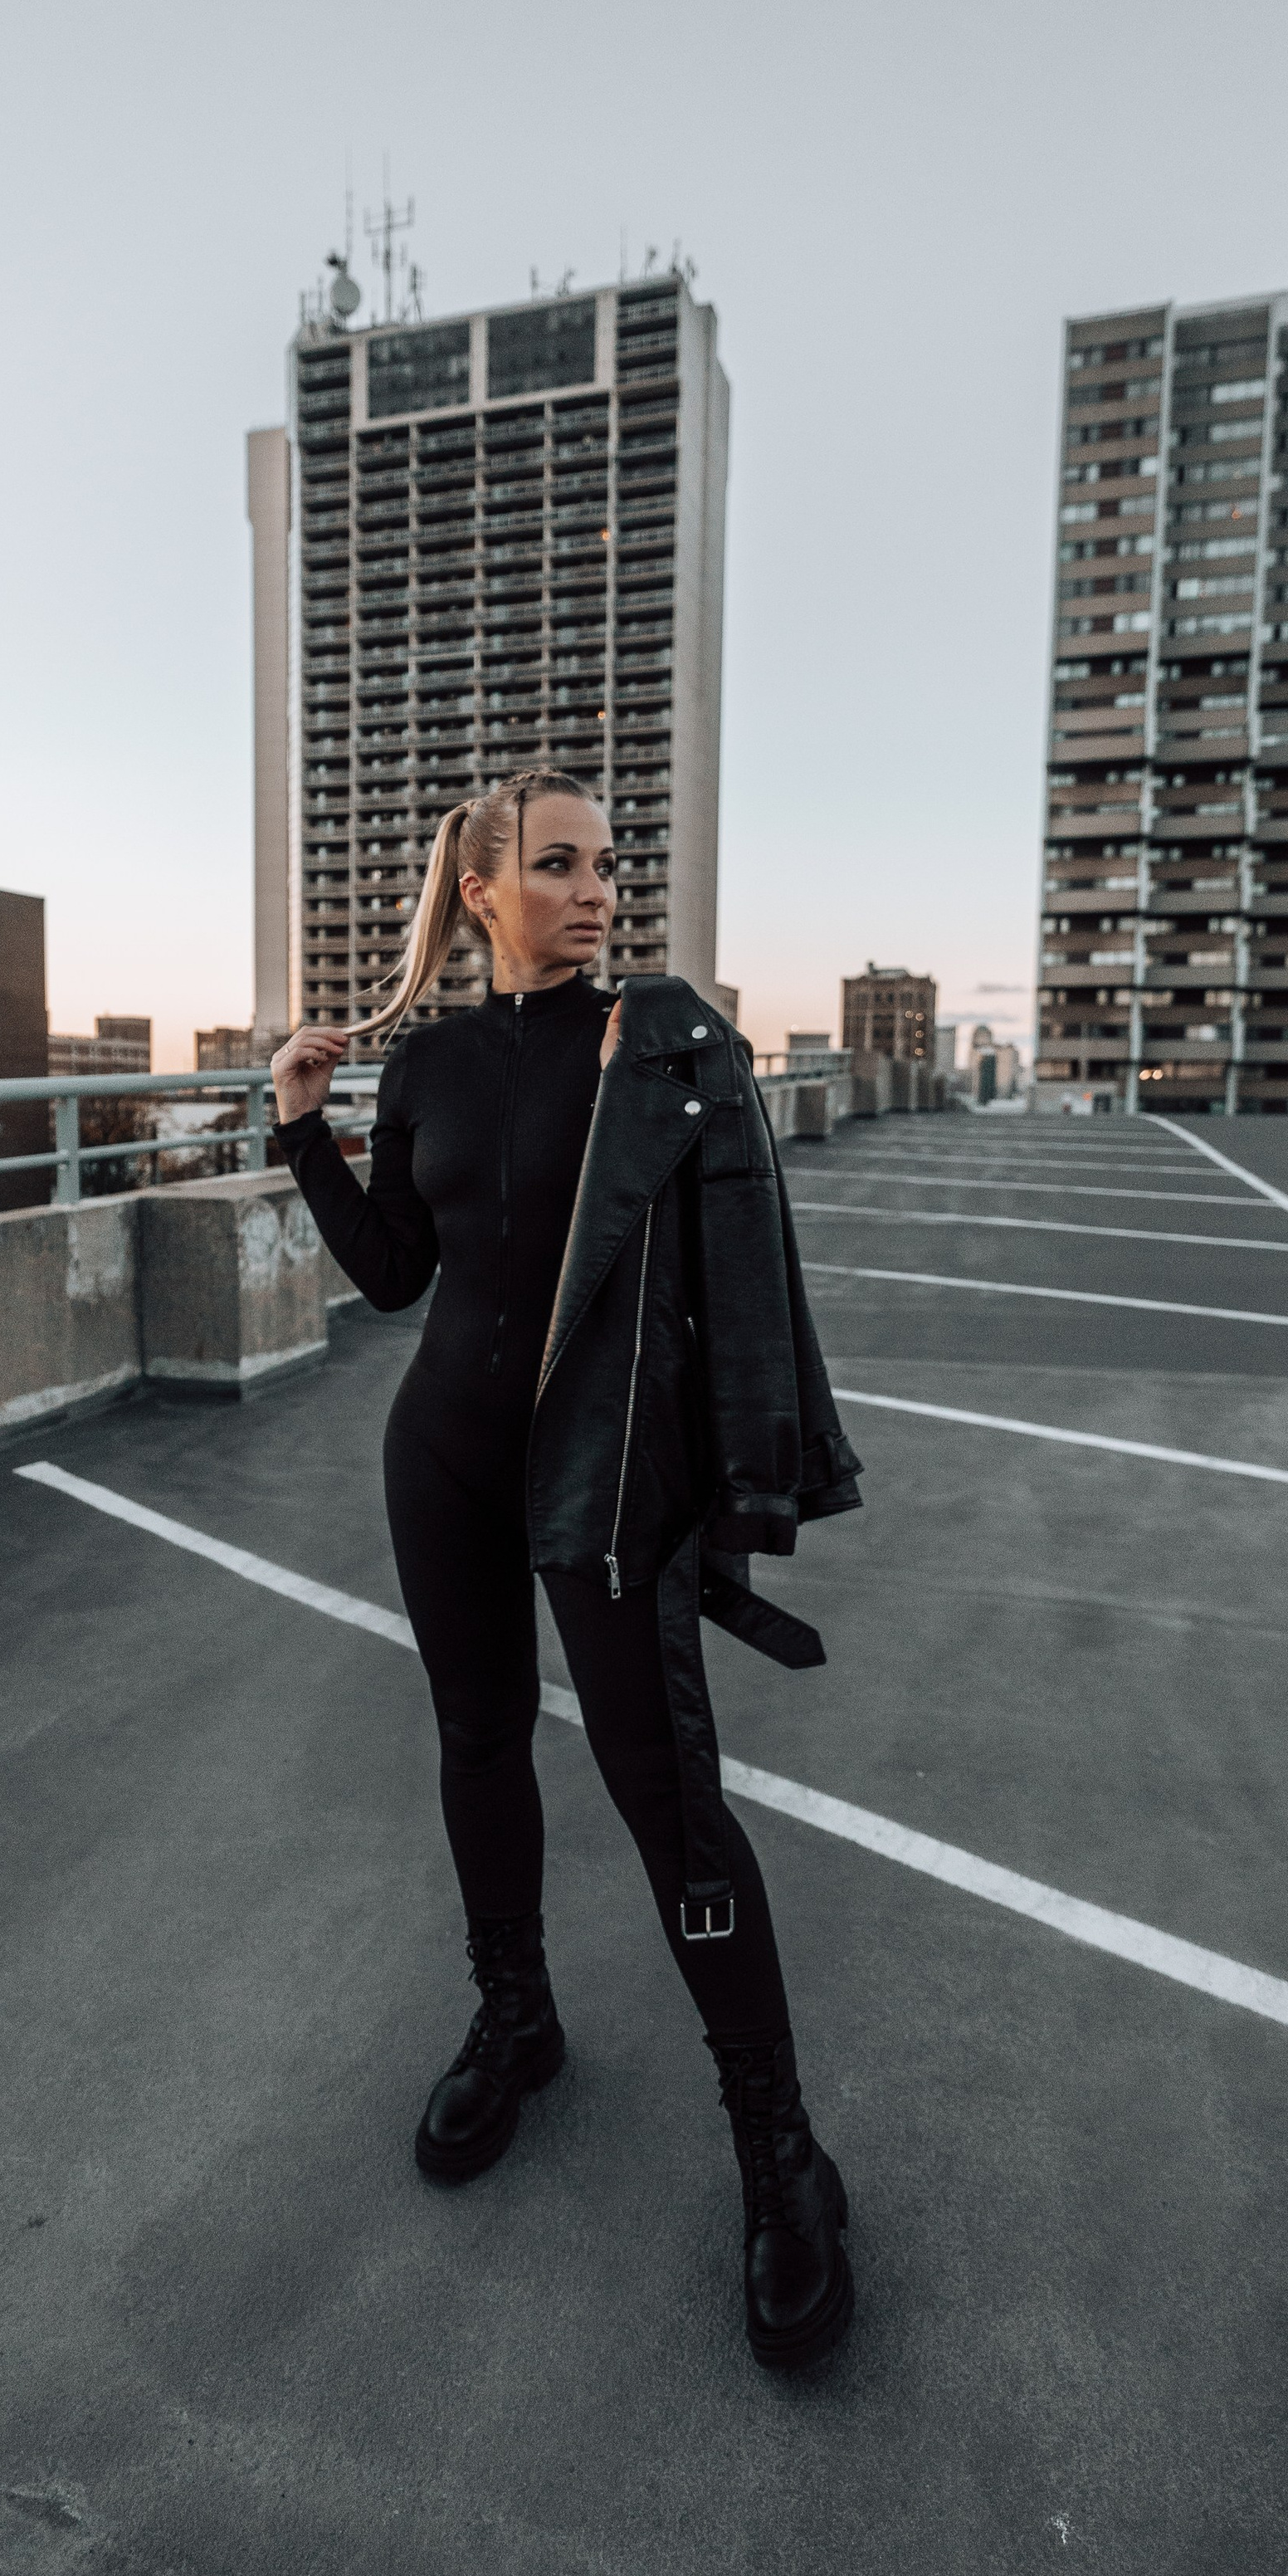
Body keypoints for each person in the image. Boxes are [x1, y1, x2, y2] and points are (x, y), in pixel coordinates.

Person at [271, 767, 861, 2369]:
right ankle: (515, 2017)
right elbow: (397, 1278)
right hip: (443, 1462)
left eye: (608, 864)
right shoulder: (438, 1064)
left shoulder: (664, 1047)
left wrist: (744, 1474)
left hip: (608, 1474)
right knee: (476, 1743)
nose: (599, 889)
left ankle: (781, 2148)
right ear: (483, 894)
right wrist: (306, 1128)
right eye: (559, 865)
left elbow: (747, 1270)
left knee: (666, 1791)